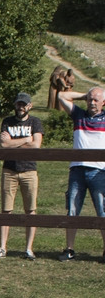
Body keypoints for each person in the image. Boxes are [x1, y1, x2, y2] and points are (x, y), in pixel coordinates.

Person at [0, 92, 42, 261]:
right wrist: (25, 139)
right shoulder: (7, 121)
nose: (20, 107)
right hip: (9, 170)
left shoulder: (35, 122)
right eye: (18, 104)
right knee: (6, 209)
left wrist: (16, 142)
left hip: (29, 170)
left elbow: (36, 145)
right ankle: (2, 247)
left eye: (24, 104)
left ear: (29, 106)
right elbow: (4, 144)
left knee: (30, 209)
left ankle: (29, 248)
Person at [56, 87, 105, 262]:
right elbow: (61, 95)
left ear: (103, 102)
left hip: (100, 171)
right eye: (90, 100)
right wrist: (85, 94)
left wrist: (98, 94)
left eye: (96, 100)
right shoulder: (79, 115)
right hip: (77, 170)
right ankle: (69, 249)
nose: (92, 103)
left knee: (102, 210)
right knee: (72, 210)